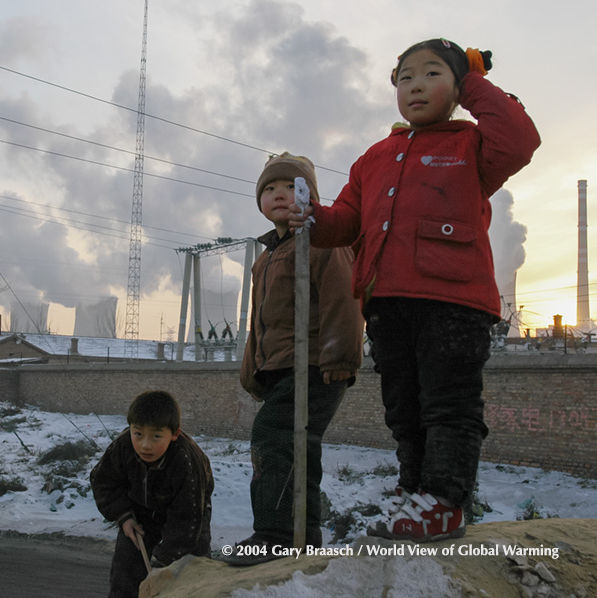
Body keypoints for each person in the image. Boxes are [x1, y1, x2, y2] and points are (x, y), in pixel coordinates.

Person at [289, 39, 540, 542]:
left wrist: (474, 80)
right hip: (386, 300)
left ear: (459, 87)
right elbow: (347, 221)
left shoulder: (473, 144)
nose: (416, 85)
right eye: (405, 78)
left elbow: (520, 141)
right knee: (403, 405)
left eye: (432, 74)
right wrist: (314, 217)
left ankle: (445, 499)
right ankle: (414, 490)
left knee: (448, 403)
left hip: (454, 301)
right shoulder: (375, 157)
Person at [226, 153, 364, 564]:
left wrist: (340, 354)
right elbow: (259, 320)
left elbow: (345, 298)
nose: (279, 195)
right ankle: (302, 537)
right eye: (269, 189)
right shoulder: (265, 257)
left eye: (290, 186)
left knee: (274, 435)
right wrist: (252, 369)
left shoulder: (323, 242)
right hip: (282, 369)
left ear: (309, 195)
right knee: (295, 446)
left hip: (317, 367)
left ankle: (277, 534)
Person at [90, 390, 213, 597]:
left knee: (185, 583)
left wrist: (162, 562)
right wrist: (124, 516)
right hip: (139, 517)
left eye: (156, 436)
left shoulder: (186, 461)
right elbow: (104, 481)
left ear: (174, 434)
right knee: (125, 581)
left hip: (189, 521)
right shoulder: (123, 446)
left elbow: (186, 518)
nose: (145, 445)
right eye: (138, 434)